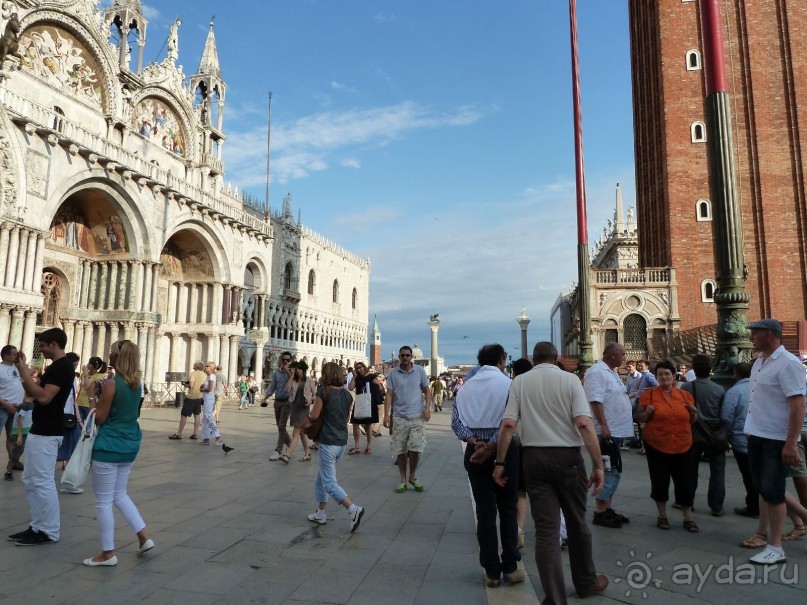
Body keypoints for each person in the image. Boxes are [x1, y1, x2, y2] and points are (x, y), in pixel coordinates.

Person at [493, 342, 607, 604]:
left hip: (533, 459)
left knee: (546, 531)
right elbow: (583, 423)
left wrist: (500, 463)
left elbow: (508, 424)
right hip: (568, 458)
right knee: (577, 522)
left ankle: (555, 598)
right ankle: (585, 581)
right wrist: (598, 464)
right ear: (556, 359)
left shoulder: (520, 382)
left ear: (534, 360)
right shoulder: (570, 380)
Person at [452, 344, 522, 587]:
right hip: (504, 452)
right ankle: (510, 567)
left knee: (484, 511)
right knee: (508, 508)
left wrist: (475, 442)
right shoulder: (509, 385)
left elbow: (456, 423)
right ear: (502, 360)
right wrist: (492, 446)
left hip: (474, 453)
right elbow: (509, 423)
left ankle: (491, 571)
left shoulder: (465, 387)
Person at [83, 340, 153, 566]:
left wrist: (91, 395)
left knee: (103, 501)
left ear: (119, 356)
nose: (109, 355)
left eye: (112, 352)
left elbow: (99, 418)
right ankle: (144, 537)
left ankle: (108, 553)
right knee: (120, 494)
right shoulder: (137, 383)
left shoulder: (113, 383)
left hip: (109, 446)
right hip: (130, 444)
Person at [743, 319, 807, 565]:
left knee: (774, 491)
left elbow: (797, 404)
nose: (751, 338)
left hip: (776, 438)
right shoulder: (760, 363)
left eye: (755, 333)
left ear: (769, 335)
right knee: (764, 488)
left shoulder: (788, 363)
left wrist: (791, 443)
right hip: (757, 434)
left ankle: (775, 547)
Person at [8, 328, 74, 546]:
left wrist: (24, 371)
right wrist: (22, 369)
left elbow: (44, 397)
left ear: (54, 344)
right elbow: (32, 392)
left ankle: (49, 530)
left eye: (44, 346)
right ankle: (37, 526)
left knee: (43, 481)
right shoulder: (55, 367)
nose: (42, 350)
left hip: (48, 431)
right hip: (41, 429)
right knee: (30, 479)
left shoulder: (62, 367)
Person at [634, 360, 698, 532]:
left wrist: (694, 413)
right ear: (656, 377)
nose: (664, 377)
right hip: (657, 444)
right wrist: (647, 413)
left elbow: (692, 420)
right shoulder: (649, 395)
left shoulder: (685, 396)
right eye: (660, 374)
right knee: (659, 480)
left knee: (685, 482)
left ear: (674, 375)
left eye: (667, 373)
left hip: (683, 444)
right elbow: (639, 416)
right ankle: (662, 515)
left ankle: (688, 517)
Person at [306, 362, 365, 533]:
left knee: (329, 482)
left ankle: (353, 509)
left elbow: (314, 415)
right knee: (321, 478)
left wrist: (311, 406)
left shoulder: (323, 391)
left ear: (326, 375)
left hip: (328, 441)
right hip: (341, 442)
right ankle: (320, 513)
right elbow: (345, 417)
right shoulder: (347, 394)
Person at [584, 342, 634, 528]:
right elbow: (595, 401)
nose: (624, 357)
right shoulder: (597, 372)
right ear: (612, 355)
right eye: (622, 354)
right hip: (607, 431)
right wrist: (604, 425)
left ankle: (607, 508)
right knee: (607, 470)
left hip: (616, 430)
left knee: (614, 469)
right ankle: (600, 511)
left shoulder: (611, 372)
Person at [680, 354, 727, 516]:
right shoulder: (719, 389)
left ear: (694, 368)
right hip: (714, 433)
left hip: (693, 431)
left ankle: (688, 502)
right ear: (710, 369)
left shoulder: (686, 387)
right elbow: (723, 413)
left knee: (690, 470)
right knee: (718, 470)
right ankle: (716, 506)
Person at [383, 345, 431, 493]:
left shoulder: (420, 371)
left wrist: (427, 408)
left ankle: (413, 476)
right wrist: (386, 415)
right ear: (399, 357)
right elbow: (389, 394)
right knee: (401, 449)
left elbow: (426, 390)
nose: (405, 357)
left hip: (417, 415)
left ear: (412, 357)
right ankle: (403, 479)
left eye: (407, 355)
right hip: (399, 416)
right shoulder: (393, 373)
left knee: (416, 448)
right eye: (402, 355)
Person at [721, 363, 759, 518]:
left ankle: (754, 506)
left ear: (736, 374)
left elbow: (727, 416)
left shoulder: (734, 391)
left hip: (741, 439)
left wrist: (727, 434)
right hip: (761, 438)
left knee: (748, 475)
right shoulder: (760, 388)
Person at [281, 361, 315, 463]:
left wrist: (311, 400)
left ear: (304, 370)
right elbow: (287, 389)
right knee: (302, 433)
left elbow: (315, 393)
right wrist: (291, 376)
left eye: (300, 369)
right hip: (295, 407)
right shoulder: (293, 380)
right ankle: (308, 453)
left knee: (295, 432)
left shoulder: (308, 380)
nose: (298, 371)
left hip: (304, 407)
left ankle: (288, 455)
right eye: (296, 369)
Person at [0, 345, 26, 481]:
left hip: (16, 408)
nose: (17, 356)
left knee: (12, 437)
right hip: (2, 407)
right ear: (5, 356)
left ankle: (12, 461)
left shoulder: (17, 367)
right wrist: (5, 404)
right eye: (14, 354)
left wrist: (22, 359)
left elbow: (26, 374)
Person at [348, 361, 382, 455]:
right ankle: (357, 445)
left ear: (364, 367)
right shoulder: (357, 378)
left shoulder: (371, 376)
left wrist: (372, 390)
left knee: (368, 425)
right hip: (359, 402)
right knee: (355, 423)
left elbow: (379, 387)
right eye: (357, 368)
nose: (359, 369)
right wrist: (354, 377)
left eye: (360, 367)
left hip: (369, 402)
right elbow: (350, 388)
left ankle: (369, 446)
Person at [265, 352, 293, 461]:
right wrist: (265, 398)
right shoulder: (276, 372)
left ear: (290, 361)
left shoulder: (292, 372)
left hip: (287, 402)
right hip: (277, 401)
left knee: (282, 426)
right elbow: (272, 387)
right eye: (284, 360)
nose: (285, 362)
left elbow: (293, 381)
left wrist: (287, 370)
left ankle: (278, 450)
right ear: (281, 360)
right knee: (279, 426)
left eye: (288, 360)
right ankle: (290, 444)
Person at [56, 352, 81, 474]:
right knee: (58, 440)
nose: (75, 368)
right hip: (60, 414)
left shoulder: (73, 379)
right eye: (74, 365)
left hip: (70, 415)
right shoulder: (60, 377)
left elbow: (74, 400)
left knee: (72, 439)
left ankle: (66, 462)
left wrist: (79, 418)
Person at [168, 362, 204, 440]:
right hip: (199, 397)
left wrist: (185, 384)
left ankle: (179, 433)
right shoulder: (204, 374)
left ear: (197, 366)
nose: (193, 366)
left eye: (194, 365)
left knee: (184, 414)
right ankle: (195, 434)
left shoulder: (193, 373)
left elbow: (191, 386)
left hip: (191, 397)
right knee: (197, 414)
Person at [200, 362, 222, 446]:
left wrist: (202, 389)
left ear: (212, 368)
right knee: (205, 418)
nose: (205, 367)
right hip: (206, 398)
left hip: (209, 398)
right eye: (205, 366)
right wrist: (203, 387)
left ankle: (217, 436)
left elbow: (209, 389)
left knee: (208, 417)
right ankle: (206, 437)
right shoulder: (208, 377)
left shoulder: (212, 376)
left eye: (207, 366)